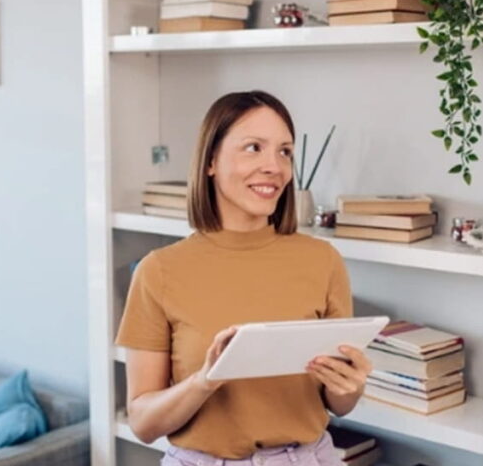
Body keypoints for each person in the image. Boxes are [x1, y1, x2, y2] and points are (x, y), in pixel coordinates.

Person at [115, 90, 373, 466]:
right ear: (210, 161)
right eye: (254, 147)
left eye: (284, 151)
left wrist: (349, 387)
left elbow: (337, 405)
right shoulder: (159, 271)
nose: (274, 166)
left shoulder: (323, 261)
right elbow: (143, 423)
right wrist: (205, 379)